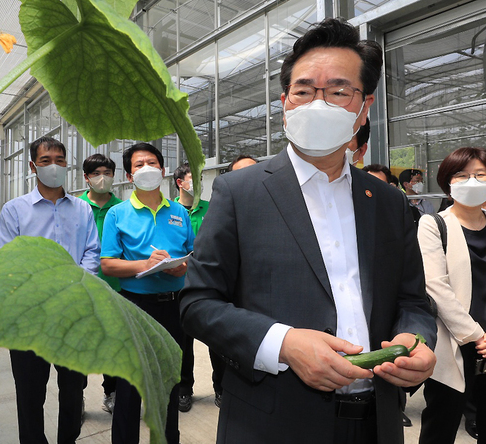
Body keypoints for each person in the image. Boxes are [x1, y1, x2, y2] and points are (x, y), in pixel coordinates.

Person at [179, 18, 437, 444]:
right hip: (273, 423)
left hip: (378, 422)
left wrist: (416, 340)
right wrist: (283, 343)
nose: (318, 103)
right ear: (285, 102)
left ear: (363, 107)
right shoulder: (240, 192)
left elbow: (413, 299)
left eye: (338, 91)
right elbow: (198, 303)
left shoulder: (388, 201)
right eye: (303, 91)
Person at [0, 136, 100, 444]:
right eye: (45, 161)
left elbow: (92, 252)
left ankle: (67, 439)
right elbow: (9, 261)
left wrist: (74, 284)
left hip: (73, 317)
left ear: (66, 164)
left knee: (73, 391)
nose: (53, 166)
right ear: (33, 166)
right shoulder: (15, 211)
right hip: (30, 319)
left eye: (59, 160)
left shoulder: (82, 210)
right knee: (29, 394)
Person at [101, 142, 194, 444]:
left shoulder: (179, 211)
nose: (146, 169)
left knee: (168, 381)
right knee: (130, 384)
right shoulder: (118, 213)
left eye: (151, 162)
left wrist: (182, 267)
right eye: (139, 165)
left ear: (163, 170)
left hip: (174, 306)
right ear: (129, 175)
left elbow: (194, 254)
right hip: (135, 305)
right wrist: (146, 264)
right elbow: (108, 264)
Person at [417, 147, 486, 444]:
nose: (472, 181)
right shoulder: (434, 224)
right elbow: (435, 285)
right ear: (448, 182)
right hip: (454, 341)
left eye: (481, 175)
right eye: (462, 175)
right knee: (441, 423)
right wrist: (476, 335)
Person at [172, 162, 222, 411]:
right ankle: (184, 389)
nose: (199, 183)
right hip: (180, 285)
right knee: (183, 342)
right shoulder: (169, 212)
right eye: (194, 178)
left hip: (210, 283)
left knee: (217, 339)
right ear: (180, 182)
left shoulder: (211, 209)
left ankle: (221, 387)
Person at [79, 153, 122, 414]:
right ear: (86, 177)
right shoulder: (75, 206)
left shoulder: (122, 208)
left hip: (115, 287)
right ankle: (76, 394)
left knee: (112, 343)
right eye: (96, 173)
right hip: (82, 287)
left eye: (107, 172)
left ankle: (111, 391)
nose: (102, 178)